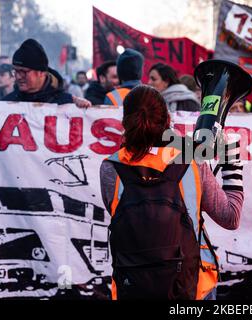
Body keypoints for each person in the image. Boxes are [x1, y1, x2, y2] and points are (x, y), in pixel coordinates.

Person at [100, 85, 243, 300]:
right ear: (167, 120)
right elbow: (230, 217)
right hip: (191, 288)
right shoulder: (190, 161)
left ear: (125, 122)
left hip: (132, 288)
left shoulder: (110, 168)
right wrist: (232, 163)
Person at [3, 38, 73, 104]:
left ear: (42, 73)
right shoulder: (6, 103)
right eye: (16, 71)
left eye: (23, 72)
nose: (18, 77)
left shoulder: (67, 103)